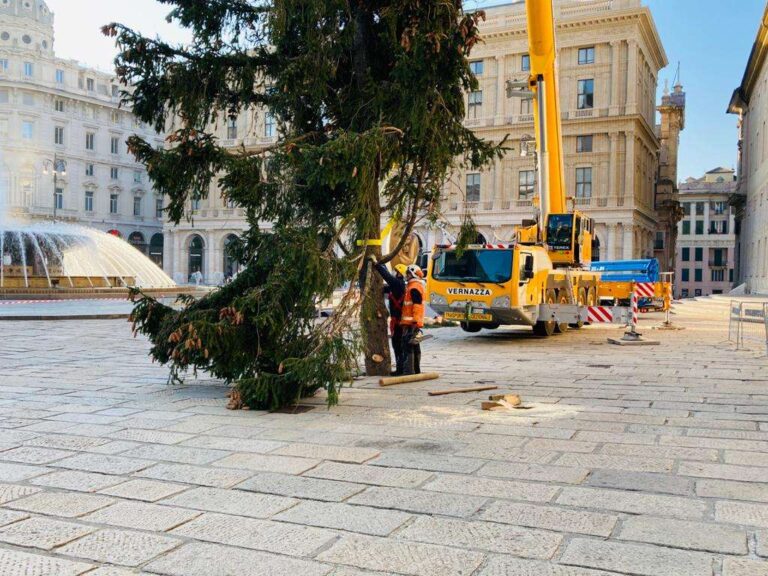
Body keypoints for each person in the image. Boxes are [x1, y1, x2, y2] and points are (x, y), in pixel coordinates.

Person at [371, 259, 408, 375]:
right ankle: (401, 368)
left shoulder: (398, 284)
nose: (394, 272)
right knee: (397, 345)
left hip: (399, 322)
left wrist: (377, 265)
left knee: (398, 345)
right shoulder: (397, 285)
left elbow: (386, 276)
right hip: (397, 321)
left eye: (395, 271)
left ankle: (401, 369)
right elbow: (385, 287)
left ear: (399, 273)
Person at [399, 264, 426, 375]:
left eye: (408, 273)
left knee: (408, 346)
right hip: (412, 323)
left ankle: (409, 371)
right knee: (415, 345)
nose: (406, 275)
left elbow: (417, 306)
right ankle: (416, 370)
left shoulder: (414, 287)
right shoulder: (415, 286)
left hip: (411, 323)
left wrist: (415, 322)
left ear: (413, 274)